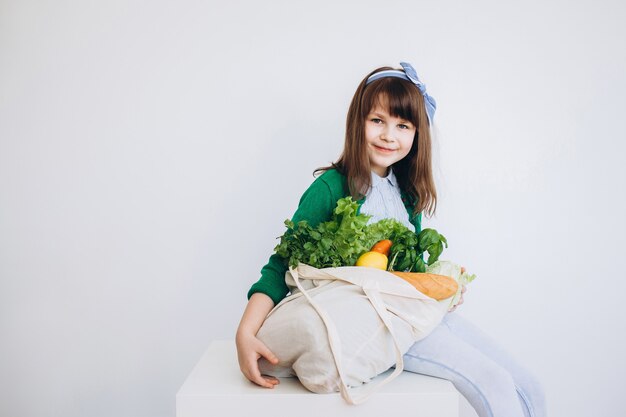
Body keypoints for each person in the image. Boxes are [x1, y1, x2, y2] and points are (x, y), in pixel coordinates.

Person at [235, 62, 546, 417]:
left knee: (529, 386)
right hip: (383, 328)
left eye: (403, 125)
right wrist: (245, 332)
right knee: (494, 384)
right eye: (377, 120)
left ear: (417, 135)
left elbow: (408, 269)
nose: (388, 135)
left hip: (419, 316)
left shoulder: (406, 193)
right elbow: (280, 265)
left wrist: (442, 286)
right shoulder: (331, 187)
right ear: (358, 122)